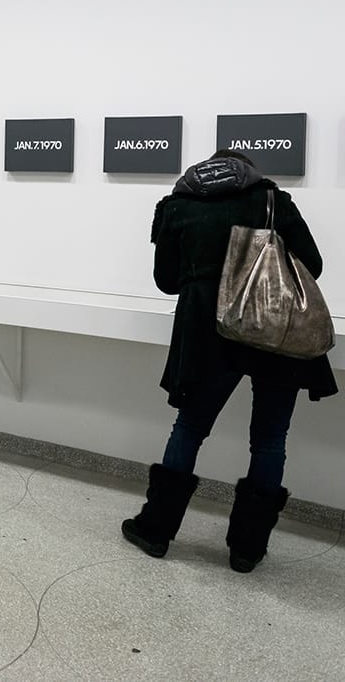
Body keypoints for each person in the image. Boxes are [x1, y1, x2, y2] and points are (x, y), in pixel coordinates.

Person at [122, 150, 337, 572]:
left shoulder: (179, 205)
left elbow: (166, 280)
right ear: (248, 171)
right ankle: (246, 549)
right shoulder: (271, 199)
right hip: (274, 329)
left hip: (207, 334)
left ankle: (156, 531)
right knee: (270, 439)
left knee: (189, 428)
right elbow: (313, 264)